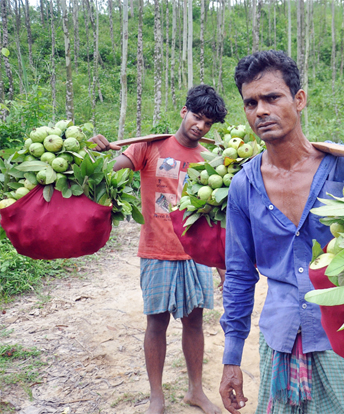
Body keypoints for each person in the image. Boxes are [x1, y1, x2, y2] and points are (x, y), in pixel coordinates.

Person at [218, 50, 344, 414]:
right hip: (279, 339)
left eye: (272, 97)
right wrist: (231, 359)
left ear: (299, 100)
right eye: (251, 103)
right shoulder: (243, 187)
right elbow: (238, 275)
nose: (260, 110)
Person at [89, 84, 225, 414]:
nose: (200, 126)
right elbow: (105, 171)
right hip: (156, 250)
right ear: (184, 112)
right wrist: (95, 151)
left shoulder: (211, 160)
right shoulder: (149, 148)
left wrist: (221, 263)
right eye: (197, 117)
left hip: (196, 255)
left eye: (208, 123)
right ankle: (156, 397)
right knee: (156, 324)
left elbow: (215, 217)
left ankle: (196, 390)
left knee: (194, 323)